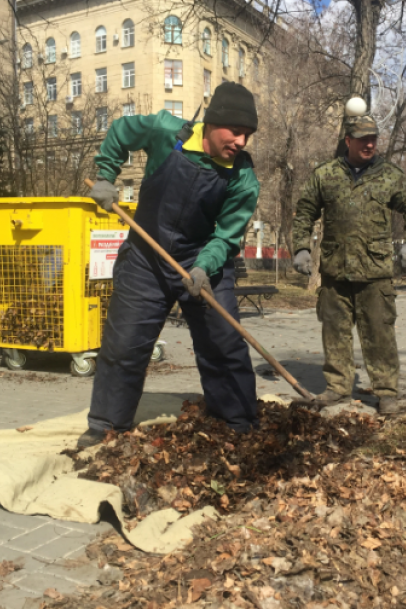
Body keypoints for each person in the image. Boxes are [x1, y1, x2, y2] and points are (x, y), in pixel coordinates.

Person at [81, 82, 261, 445]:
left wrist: (203, 268)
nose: (242, 142)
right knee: (124, 344)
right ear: (212, 124)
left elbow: (226, 236)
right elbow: (120, 131)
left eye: (248, 135)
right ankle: (106, 425)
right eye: (236, 132)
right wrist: (105, 175)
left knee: (224, 343)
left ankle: (237, 424)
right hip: (146, 258)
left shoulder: (243, 178)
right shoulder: (166, 132)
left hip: (202, 260)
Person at [291, 114, 406, 414]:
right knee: (334, 332)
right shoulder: (325, 175)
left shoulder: (390, 175)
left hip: (375, 271)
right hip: (335, 270)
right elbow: (304, 212)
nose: (369, 144)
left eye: (374, 139)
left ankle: (386, 392)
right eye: (363, 139)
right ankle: (337, 388)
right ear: (348, 141)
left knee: (379, 333)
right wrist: (301, 247)